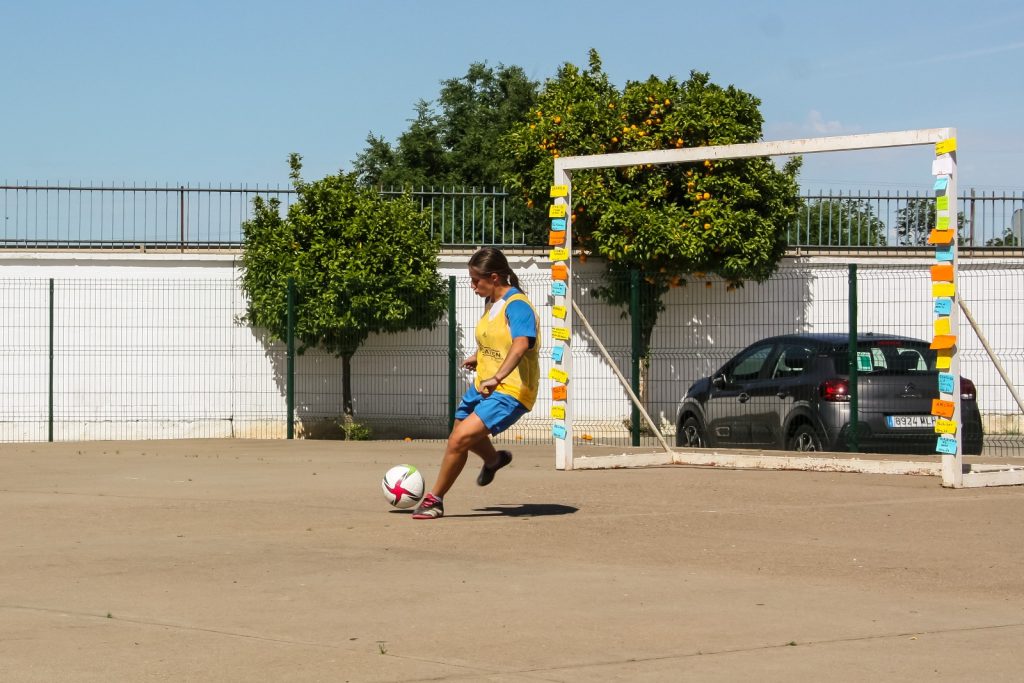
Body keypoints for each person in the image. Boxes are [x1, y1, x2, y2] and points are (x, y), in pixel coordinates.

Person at [412, 247, 540, 520]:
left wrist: (497, 376)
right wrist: (478, 356)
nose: (472, 286)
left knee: (459, 439)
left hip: (511, 391)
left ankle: (434, 500)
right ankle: (494, 460)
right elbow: (496, 342)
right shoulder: (492, 304)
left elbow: (520, 345)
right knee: (459, 436)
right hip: (484, 384)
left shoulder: (518, 306)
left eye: (475, 280)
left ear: (494, 277)